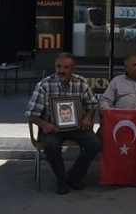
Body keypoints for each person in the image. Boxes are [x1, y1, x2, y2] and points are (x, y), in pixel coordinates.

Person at [25, 52, 100, 195]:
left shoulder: (81, 82)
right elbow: (31, 114)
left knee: (95, 144)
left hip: (77, 127)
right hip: (51, 128)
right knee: (51, 146)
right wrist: (44, 125)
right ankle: (61, 180)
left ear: (73, 69)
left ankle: (74, 176)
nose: (61, 71)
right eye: (58, 67)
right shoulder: (44, 85)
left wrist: (88, 117)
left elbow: (92, 104)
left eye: (66, 67)